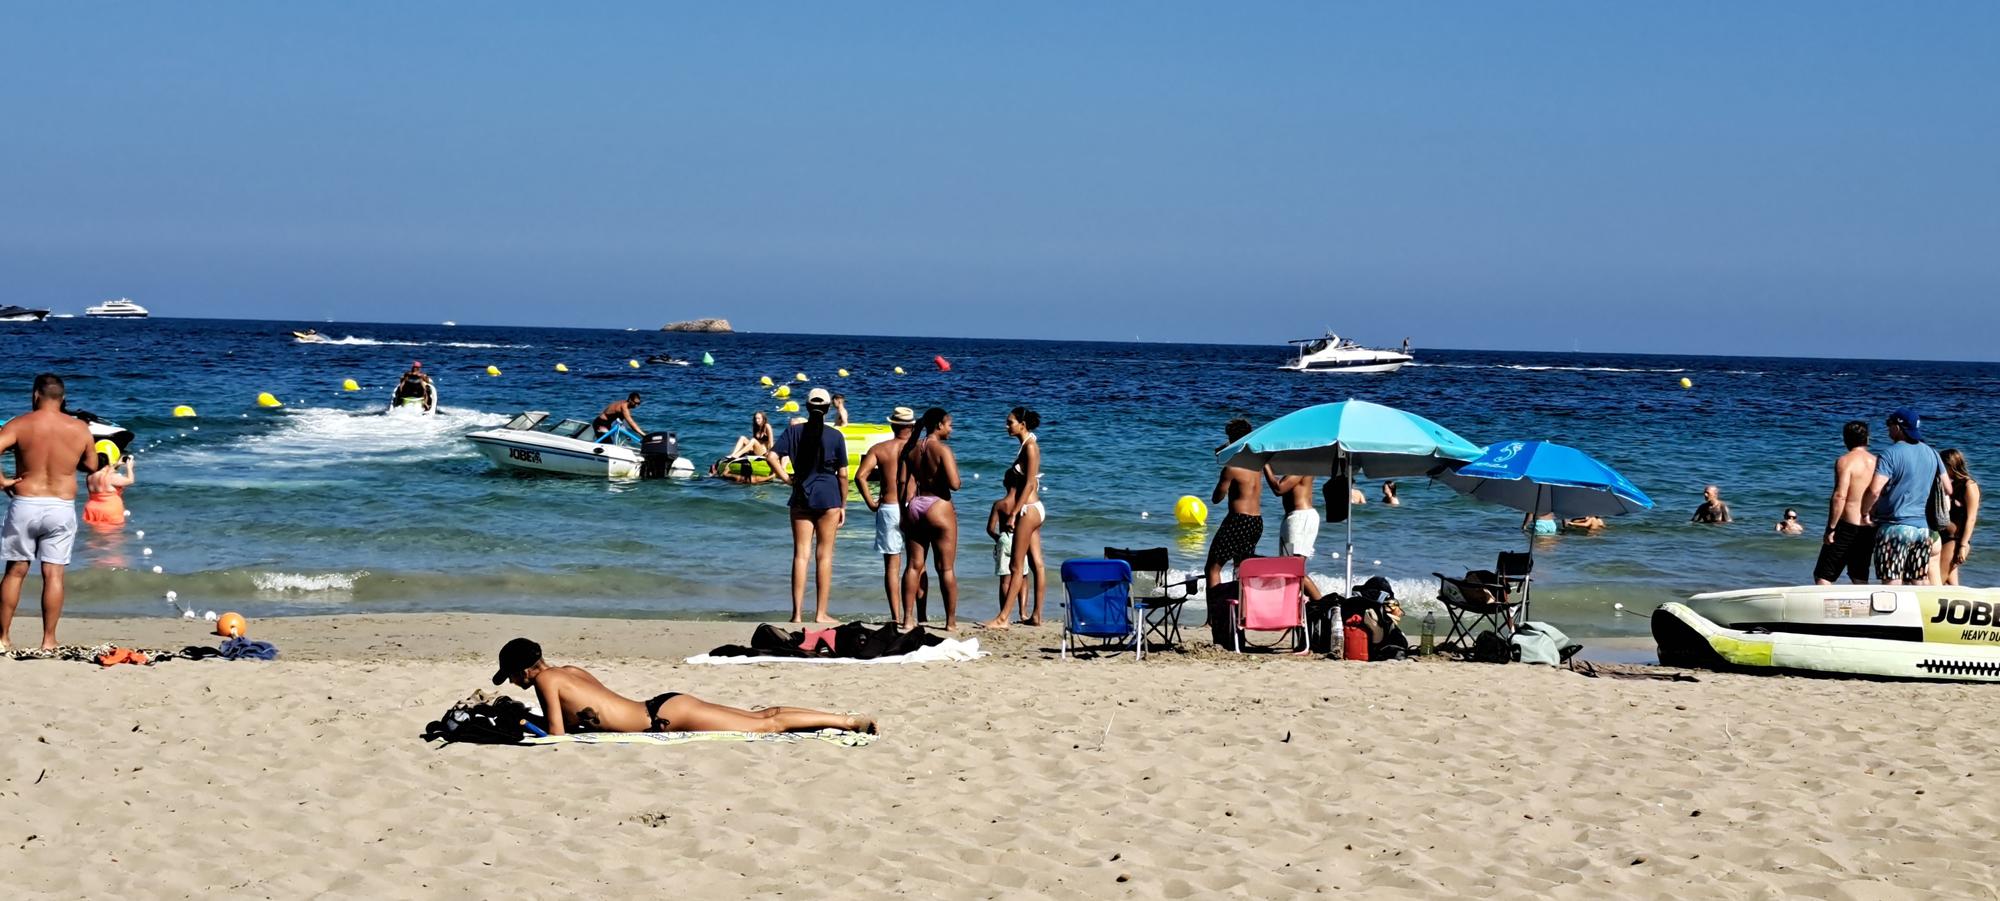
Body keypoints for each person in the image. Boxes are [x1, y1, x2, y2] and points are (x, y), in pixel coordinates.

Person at [491, 638, 874, 736]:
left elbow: (559, 733)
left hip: (663, 718)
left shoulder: (544, 680)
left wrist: (525, 723)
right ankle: (844, 718)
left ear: (523, 670)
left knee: (763, 725)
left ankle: (847, 721)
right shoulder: (568, 670)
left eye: (511, 675)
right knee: (762, 717)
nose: (513, 682)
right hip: (662, 705)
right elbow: (591, 712)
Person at [0, 374, 98, 651]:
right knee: (53, 574)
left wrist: (2, 480)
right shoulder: (79, 428)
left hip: (26, 503)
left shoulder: (20, 424)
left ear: (35, 395)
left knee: (15, 572)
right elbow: (91, 465)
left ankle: (3, 638)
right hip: (60, 506)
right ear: (63, 398)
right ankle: (49, 641)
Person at [763, 388, 846, 624]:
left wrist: (786, 478)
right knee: (825, 556)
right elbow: (843, 474)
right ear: (829, 409)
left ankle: (797, 614)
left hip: (801, 494)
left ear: (807, 408)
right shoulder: (835, 435)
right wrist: (843, 505)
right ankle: (821, 614)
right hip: (828, 496)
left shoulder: (793, 431)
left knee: (801, 555)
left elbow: (771, 456)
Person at [1860, 409, 1945, 585]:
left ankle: (1892, 613)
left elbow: (1874, 490)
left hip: (1895, 527)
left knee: (1892, 581)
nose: (1887, 429)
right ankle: (1922, 612)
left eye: (1889, 424)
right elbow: (1947, 488)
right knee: (1919, 581)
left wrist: (1865, 512)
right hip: (1923, 529)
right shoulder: (1932, 453)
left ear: (1899, 427)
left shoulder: (1890, 453)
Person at [897, 408, 961, 629]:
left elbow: (903, 481)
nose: (951, 429)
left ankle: (907, 619)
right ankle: (950, 622)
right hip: (938, 505)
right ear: (939, 425)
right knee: (946, 568)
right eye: (949, 424)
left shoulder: (912, 449)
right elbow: (955, 484)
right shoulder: (943, 450)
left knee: (913, 566)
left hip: (915, 505)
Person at [984, 408, 1046, 628]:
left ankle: (1003, 618)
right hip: (1034, 507)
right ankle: (1036, 615)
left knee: (1016, 566)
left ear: (1022, 424)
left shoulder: (1030, 447)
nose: (1006, 426)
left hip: (1027, 510)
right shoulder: (1026, 445)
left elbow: (1029, 483)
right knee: (1037, 563)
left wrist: (1012, 513)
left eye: (1010, 422)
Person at [853, 407, 916, 625]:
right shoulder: (918, 448)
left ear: (892, 425)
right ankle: (916, 615)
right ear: (912, 426)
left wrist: (871, 503)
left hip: (889, 507)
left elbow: (860, 476)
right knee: (917, 564)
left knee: (892, 566)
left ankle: (896, 616)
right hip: (915, 507)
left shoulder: (880, 449)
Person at [1814, 420, 1877, 585]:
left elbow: (1840, 496)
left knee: (1823, 575)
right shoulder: (1877, 462)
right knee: (1859, 575)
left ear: (1845, 439)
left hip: (1847, 525)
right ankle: (1862, 610)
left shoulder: (1845, 461)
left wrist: (1831, 528)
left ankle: (1824, 610)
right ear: (1867, 438)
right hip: (1869, 526)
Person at [1206, 418, 1264, 590]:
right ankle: (1242, 612)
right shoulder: (1257, 464)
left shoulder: (1231, 468)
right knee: (1242, 568)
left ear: (1232, 439)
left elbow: (1217, 498)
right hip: (1256, 522)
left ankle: (1214, 616)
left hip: (1238, 520)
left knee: (1212, 568)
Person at [1939, 448, 1981, 587]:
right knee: (1950, 584)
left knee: (1938, 579)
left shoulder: (1969, 485)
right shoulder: (1950, 484)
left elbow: (1971, 518)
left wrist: (1963, 545)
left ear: (1950, 465)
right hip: (1944, 538)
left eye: (1941, 466)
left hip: (1955, 540)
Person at [82, 443, 135, 527]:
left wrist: (117, 464)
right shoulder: (110, 477)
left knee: (94, 537)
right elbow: (130, 480)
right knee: (112, 538)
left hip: (91, 509)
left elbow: (104, 475)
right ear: (107, 464)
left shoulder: (90, 476)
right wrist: (129, 467)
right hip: (109, 510)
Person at [708, 457, 775, 485]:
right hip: (747, 485)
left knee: (717, 478)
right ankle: (714, 472)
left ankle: (713, 472)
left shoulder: (738, 477)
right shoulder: (753, 479)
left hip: (730, 483)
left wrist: (727, 468)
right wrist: (773, 474)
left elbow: (725, 474)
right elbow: (766, 478)